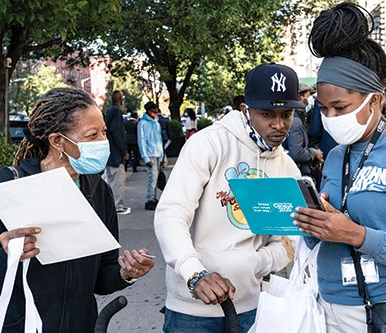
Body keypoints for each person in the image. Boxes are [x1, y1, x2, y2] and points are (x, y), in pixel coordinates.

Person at [291, 3, 386, 331]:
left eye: (340, 107)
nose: (331, 118)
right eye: (323, 109)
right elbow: (328, 229)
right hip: (327, 307)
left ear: (373, 100)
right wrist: (310, 224)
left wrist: (358, 234)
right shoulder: (335, 156)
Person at [0, 87, 155, 332]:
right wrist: (6, 256)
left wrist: (127, 272)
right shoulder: (12, 184)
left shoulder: (99, 190)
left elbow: (102, 276)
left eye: (104, 132)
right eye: (92, 135)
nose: (103, 142)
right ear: (57, 141)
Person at [154, 63, 304, 332]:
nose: (279, 124)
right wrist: (194, 274)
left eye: (287, 114)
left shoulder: (287, 168)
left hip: (252, 306)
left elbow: (288, 241)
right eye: (267, 113)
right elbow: (171, 214)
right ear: (246, 110)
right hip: (191, 309)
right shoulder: (208, 144)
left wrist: (254, 263)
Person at [284, 83, 324, 180]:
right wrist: (315, 153)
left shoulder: (299, 119)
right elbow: (296, 152)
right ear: (301, 98)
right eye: (308, 95)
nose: (310, 99)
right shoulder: (296, 123)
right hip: (300, 174)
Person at [102, 90, 131, 215]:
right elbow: (117, 132)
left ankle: (112, 205)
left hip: (109, 152)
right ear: (120, 99)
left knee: (109, 180)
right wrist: (124, 151)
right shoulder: (116, 111)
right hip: (116, 154)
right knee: (118, 180)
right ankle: (117, 206)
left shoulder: (109, 111)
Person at [138, 101, 166, 210]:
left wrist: (163, 157)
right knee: (152, 179)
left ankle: (153, 198)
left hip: (158, 154)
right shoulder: (143, 123)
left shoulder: (156, 123)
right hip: (151, 154)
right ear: (149, 111)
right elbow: (142, 140)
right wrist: (145, 157)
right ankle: (150, 199)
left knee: (156, 178)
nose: (156, 112)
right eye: (154, 110)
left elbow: (159, 140)